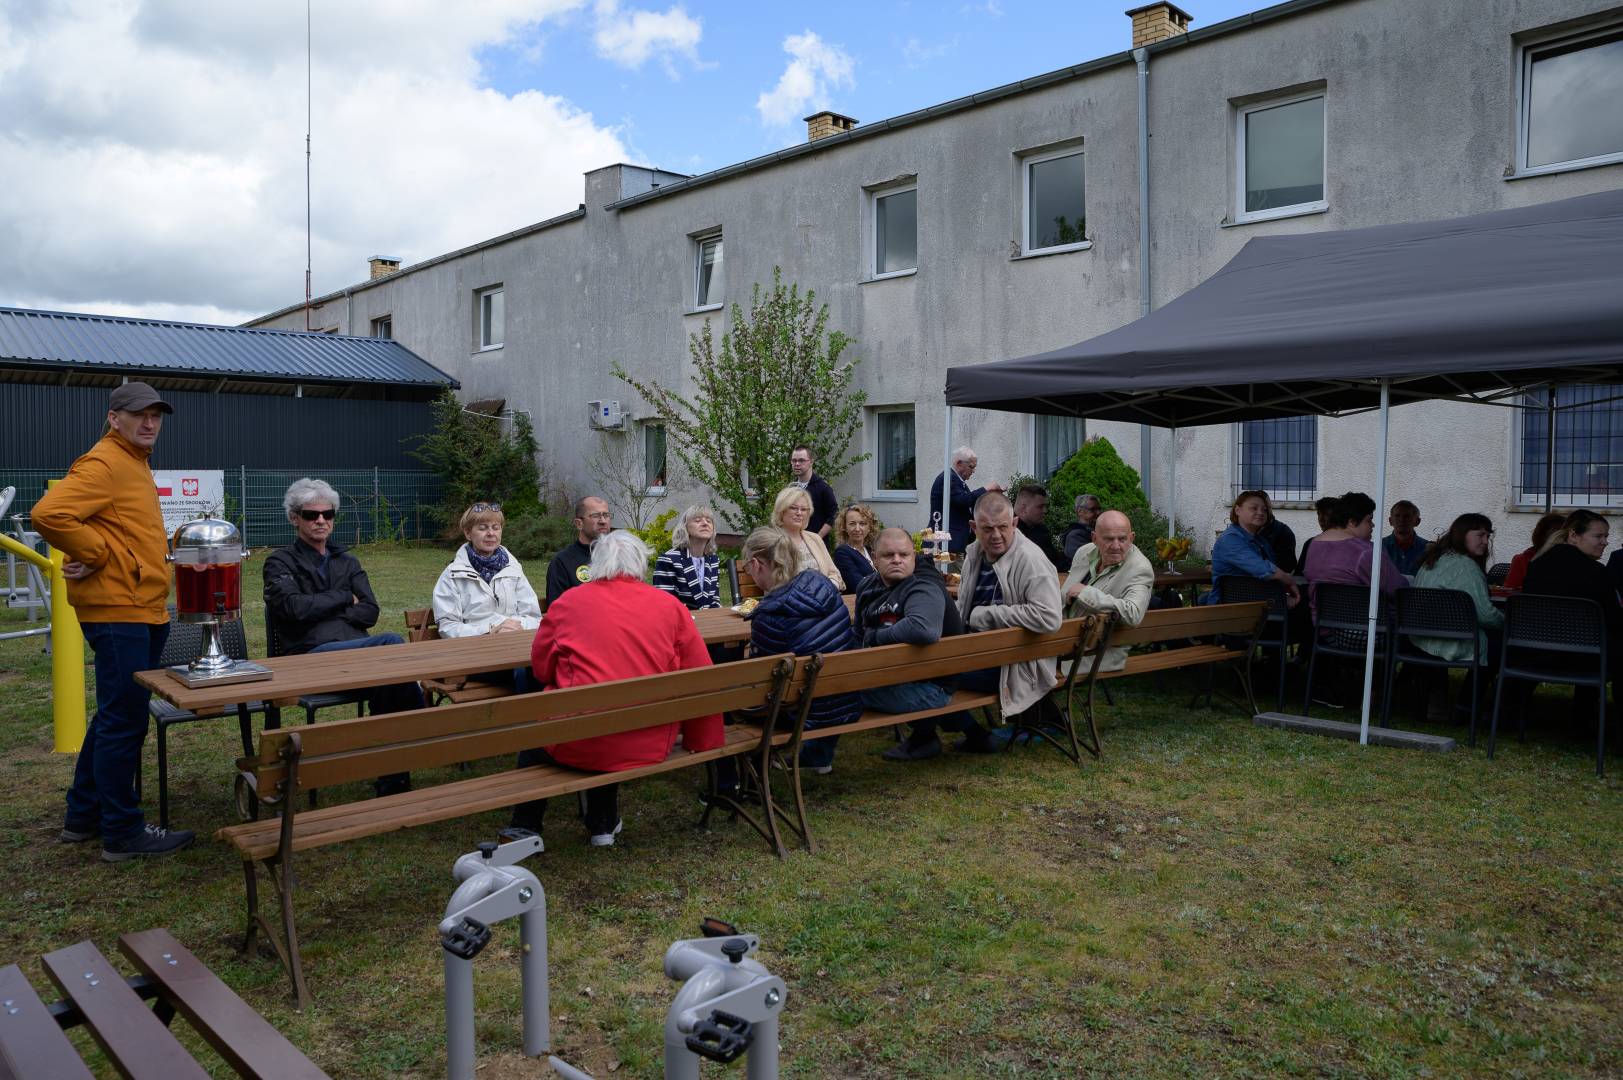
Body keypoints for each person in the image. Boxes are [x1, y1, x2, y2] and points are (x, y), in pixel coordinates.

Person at [32, 382, 194, 861]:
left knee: (114, 715)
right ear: (114, 417)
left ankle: (83, 815)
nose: (149, 423)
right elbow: (49, 514)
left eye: (156, 415)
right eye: (139, 414)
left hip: (140, 606)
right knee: (125, 720)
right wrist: (96, 553)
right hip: (119, 610)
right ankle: (123, 832)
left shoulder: (134, 462)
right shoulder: (104, 462)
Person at [509, 531, 724, 845]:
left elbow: (542, 669)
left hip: (581, 739)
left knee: (546, 735)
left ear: (597, 563)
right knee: (607, 721)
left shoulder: (568, 602)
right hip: (650, 740)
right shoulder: (670, 606)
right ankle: (602, 823)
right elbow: (700, 675)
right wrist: (701, 740)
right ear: (640, 564)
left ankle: (525, 826)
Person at [264, 478, 423, 796]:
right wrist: (341, 598)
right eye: (311, 515)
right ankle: (423, 728)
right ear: (295, 518)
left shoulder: (347, 560)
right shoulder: (279, 562)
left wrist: (323, 610)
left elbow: (370, 611)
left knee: (389, 681)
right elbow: (293, 609)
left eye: (328, 514)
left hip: (357, 659)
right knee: (391, 646)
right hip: (308, 658)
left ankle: (392, 780)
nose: (321, 520)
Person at [740, 526, 861, 773]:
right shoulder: (822, 585)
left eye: (747, 567)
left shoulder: (770, 614)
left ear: (757, 564)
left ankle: (746, 773)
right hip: (844, 700)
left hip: (803, 713)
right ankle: (818, 756)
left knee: (729, 700)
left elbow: (762, 682)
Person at [955, 492, 1065, 748]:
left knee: (932, 675)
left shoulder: (1030, 559)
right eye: (987, 529)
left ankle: (974, 736)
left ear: (1014, 523)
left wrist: (985, 615)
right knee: (926, 666)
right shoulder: (974, 554)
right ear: (973, 527)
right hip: (982, 652)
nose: (996, 535)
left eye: (1003, 527)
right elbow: (964, 607)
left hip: (1017, 666)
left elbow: (1049, 617)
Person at [854, 527, 970, 762]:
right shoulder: (866, 586)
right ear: (874, 558)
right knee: (840, 685)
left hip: (932, 688)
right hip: (895, 675)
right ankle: (965, 735)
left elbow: (922, 629)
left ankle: (816, 757)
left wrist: (876, 638)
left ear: (914, 557)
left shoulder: (924, 586)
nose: (897, 560)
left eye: (904, 554)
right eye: (888, 555)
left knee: (839, 695)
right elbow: (858, 634)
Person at [1410, 513, 1505, 721]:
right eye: (1480, 535)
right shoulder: (1466, 566)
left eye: (1488, 536)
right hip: (1451, 640)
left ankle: (1440, 701)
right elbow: (1485, 615)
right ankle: (1466, 707)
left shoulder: (1434, 558)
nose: (1485, 541)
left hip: (1422, 637)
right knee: (1499, 645)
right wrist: (1508, 622)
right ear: (1462, 535)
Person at [431, 502, 542, 639]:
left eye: (496, 528)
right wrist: (489, 631)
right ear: (468, 533)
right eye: (483, 528)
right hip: (474, 648)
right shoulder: (452, 575)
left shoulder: (514, 569)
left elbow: (534, 618)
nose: (491, 533)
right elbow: (448, 627)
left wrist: (518, 627)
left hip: (514, 643)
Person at [1062, 510, 1154, 673]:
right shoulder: (1084, 552)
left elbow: (1133, 613)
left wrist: (1086, 593)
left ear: (1132, 538)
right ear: (1094, 538)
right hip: (1061, 638)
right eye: (1108, 539)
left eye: (1122, 539)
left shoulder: (1140, 568)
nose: (1116, 546)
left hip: (1095, 653)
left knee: (1023, 663)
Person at [1524, 509, 1623, 656]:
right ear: (1573, 536)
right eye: (1598, 536)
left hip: (1534, 652)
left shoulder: (1536, 564)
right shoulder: (1597, 572)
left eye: (1606, 536)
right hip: (1586, 655)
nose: (1605, 542)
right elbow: (1615, 621)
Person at [1300, 491, 1407, 624]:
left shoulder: (1314, 544)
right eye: (1369, 520)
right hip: (1367, 630)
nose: (1373, 525)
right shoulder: (1365, 551)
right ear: (1352, 522)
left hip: (1324, 628)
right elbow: (1399, 590)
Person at [1206, 490, 1301, 607]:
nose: (1260, 512)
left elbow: (1272, 573)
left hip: (1261, 603)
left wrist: (1282, 592)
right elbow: (1261, 568)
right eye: (1254, 508)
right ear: (1237, 510)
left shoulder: (1261, 541)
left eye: (1264, 510)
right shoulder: (1229, 539)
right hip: (1230, 609)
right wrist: (1288, 581)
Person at [928, 447, 1002, 553]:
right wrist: (986, 489)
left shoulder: (957, 480)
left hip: (954, 542)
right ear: (959, 463)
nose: (973, 471)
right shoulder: (947, 479)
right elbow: (963, 500)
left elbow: (968, 503)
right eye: (971, 467)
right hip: (946, 544)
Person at [770, 485, 843, 591]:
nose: (799, 513)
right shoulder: (771, 540)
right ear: (781, 510)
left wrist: (827, 588)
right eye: (793, 508)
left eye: (804, 509)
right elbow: (774, 583)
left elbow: (834, 574)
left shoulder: (815, 539)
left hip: (822, 597)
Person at [652, 505, 722, 611]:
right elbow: (664, 603)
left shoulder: (713, 560)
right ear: (685, 528)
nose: (705, 523)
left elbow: (714, 600)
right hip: (679, 619)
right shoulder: (669, 559)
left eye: (709, 521)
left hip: (709, 619)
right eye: (697, 520)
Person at [546, 496, 612, 608]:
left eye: (606, 515)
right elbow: (556, 610)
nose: (603, 521)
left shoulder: (618, 557)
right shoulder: (562, 562)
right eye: (595, 516)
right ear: (579, 524)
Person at [1504, 512, 1566, 591]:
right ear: (1542, 536)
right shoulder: (1522, 560)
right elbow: (1509, 591)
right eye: (1557, 536)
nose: (1561, 540)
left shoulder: (1570, 561)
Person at [1013, 482, 1069, 572]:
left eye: (1045, 506)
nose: (1045, 510)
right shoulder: (1007, 532)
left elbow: (1054, 559)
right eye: (1040, 506)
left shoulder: (1041, 530)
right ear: (1024, 508)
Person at [789, 444, 839, 538]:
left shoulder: (823, 488)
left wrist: (817, 538)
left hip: (817, 543)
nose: (797, 464)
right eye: (794, 460)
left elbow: (834, 515)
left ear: (811, 462)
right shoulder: (791, 489)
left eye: (801, 460)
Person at [833, 504, 879, 593]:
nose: (857, 529)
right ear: (844, 527)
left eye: (862, 523)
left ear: (869, 527)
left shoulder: (870, 550)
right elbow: (858, 585)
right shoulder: (842, 553)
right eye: (852, 524)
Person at [1382, 500, 1429, 577]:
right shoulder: (1379, 547)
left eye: (1407, 516)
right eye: (1397, 516)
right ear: (1390, 521)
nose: (1401, 520)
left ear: (1417, 521)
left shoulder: (1427, 549)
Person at [1296, 495, 1342, 573]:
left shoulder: (1348, 544)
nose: (1321, 519)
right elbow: (1299, 573)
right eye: (1319, 514)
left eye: (1327, 514)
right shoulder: (1310, 543)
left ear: (1337, 517)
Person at [1060, 493, 1103, 562]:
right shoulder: (1075, 536)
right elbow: (1087, 561)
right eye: (1093, 509)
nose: (1098, 512)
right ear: (1080, 511)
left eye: (1099, 509)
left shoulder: (1096, 531)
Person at [1259, 503, 1299, 575]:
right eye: (1254, 508)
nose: (1260, 512)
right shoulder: (1241, 533)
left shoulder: (1283, 532)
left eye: (1265, 508)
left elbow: (1287, 567)